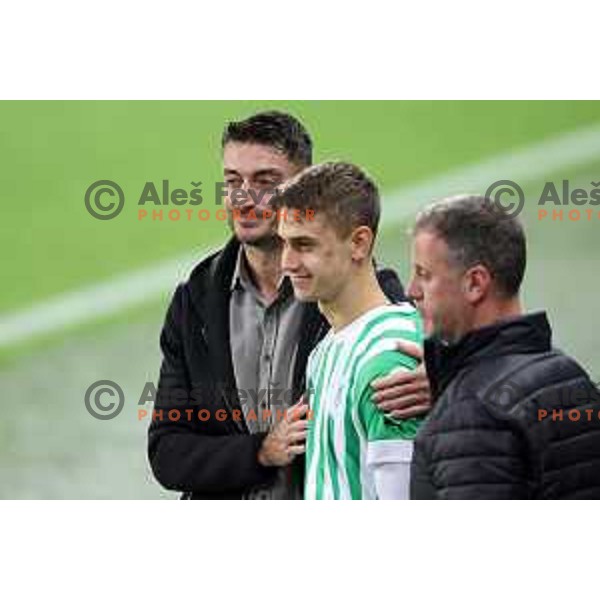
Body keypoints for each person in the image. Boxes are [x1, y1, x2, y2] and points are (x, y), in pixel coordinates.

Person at [147, 111, 431, 499]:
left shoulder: (358, 294)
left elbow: (418, 369)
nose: (244, 198)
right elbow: (167, 451)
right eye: (233, 182)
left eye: (264, 182)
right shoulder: (195, 299)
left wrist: (439, 378)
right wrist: (260, 451)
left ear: (303, 186)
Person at [407, 194, 600, 499]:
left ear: (475, 283)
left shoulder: (471, 414)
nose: (411, 291)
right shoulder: (571, 375)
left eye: (424, 275)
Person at [277, 162, 424, 499]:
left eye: (304, 245)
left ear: (359, 243)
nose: (286, 262)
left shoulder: (388, 358)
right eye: (284, 243)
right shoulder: (325, 350)